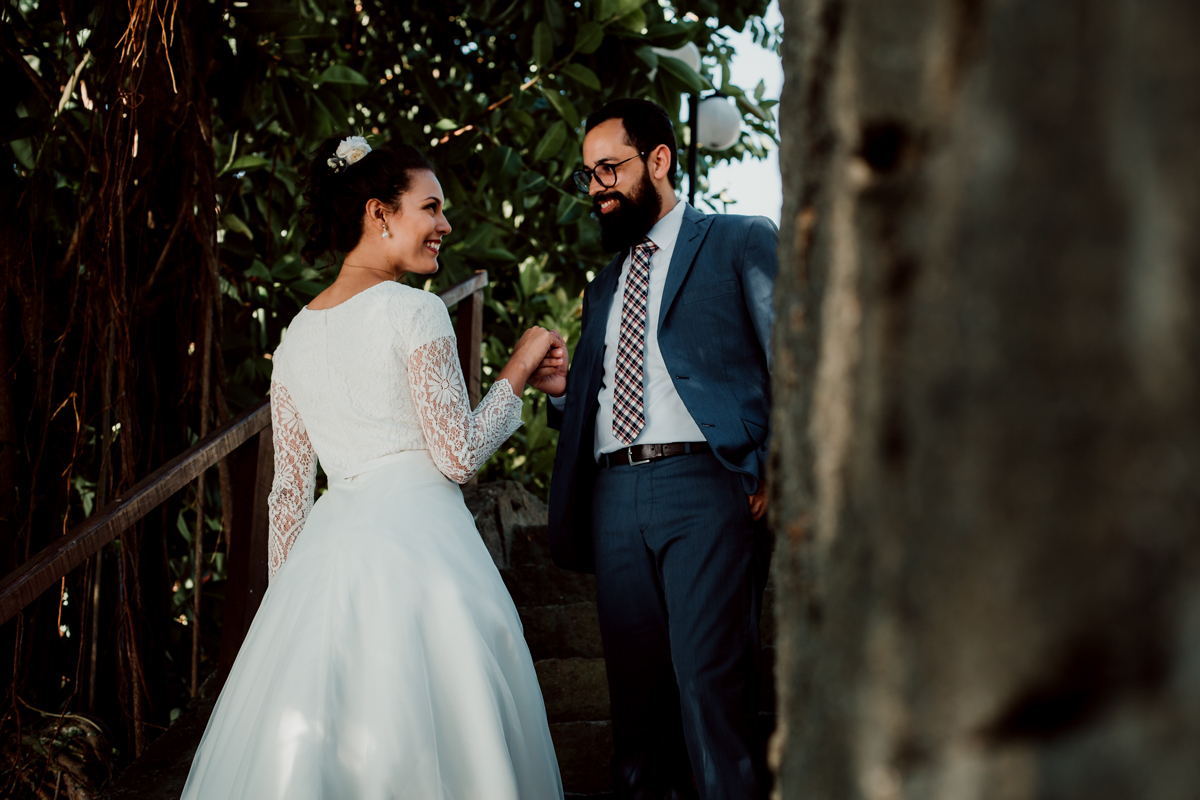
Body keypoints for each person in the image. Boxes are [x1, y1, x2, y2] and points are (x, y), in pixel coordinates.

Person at [181, 135, 566, 799]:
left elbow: (288, 497)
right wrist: (524, 359)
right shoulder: (415, 311)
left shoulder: (295, 340)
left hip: (326, 557)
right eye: (431, 208)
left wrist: (289, 610)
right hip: (422, 550)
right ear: (379, 213)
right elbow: (457, 456)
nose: (445, 225)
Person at [529, 99, 778, 800]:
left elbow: (795, 359)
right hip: (613, 498)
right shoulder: (602, 286)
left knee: (709, 690)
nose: (597, 188)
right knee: (637, 711)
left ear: (660, 160)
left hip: (706, 487)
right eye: (588, 175)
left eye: (609, 169)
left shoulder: (738, 241)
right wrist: (559, 393)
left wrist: (773, 467)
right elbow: (597, 399)